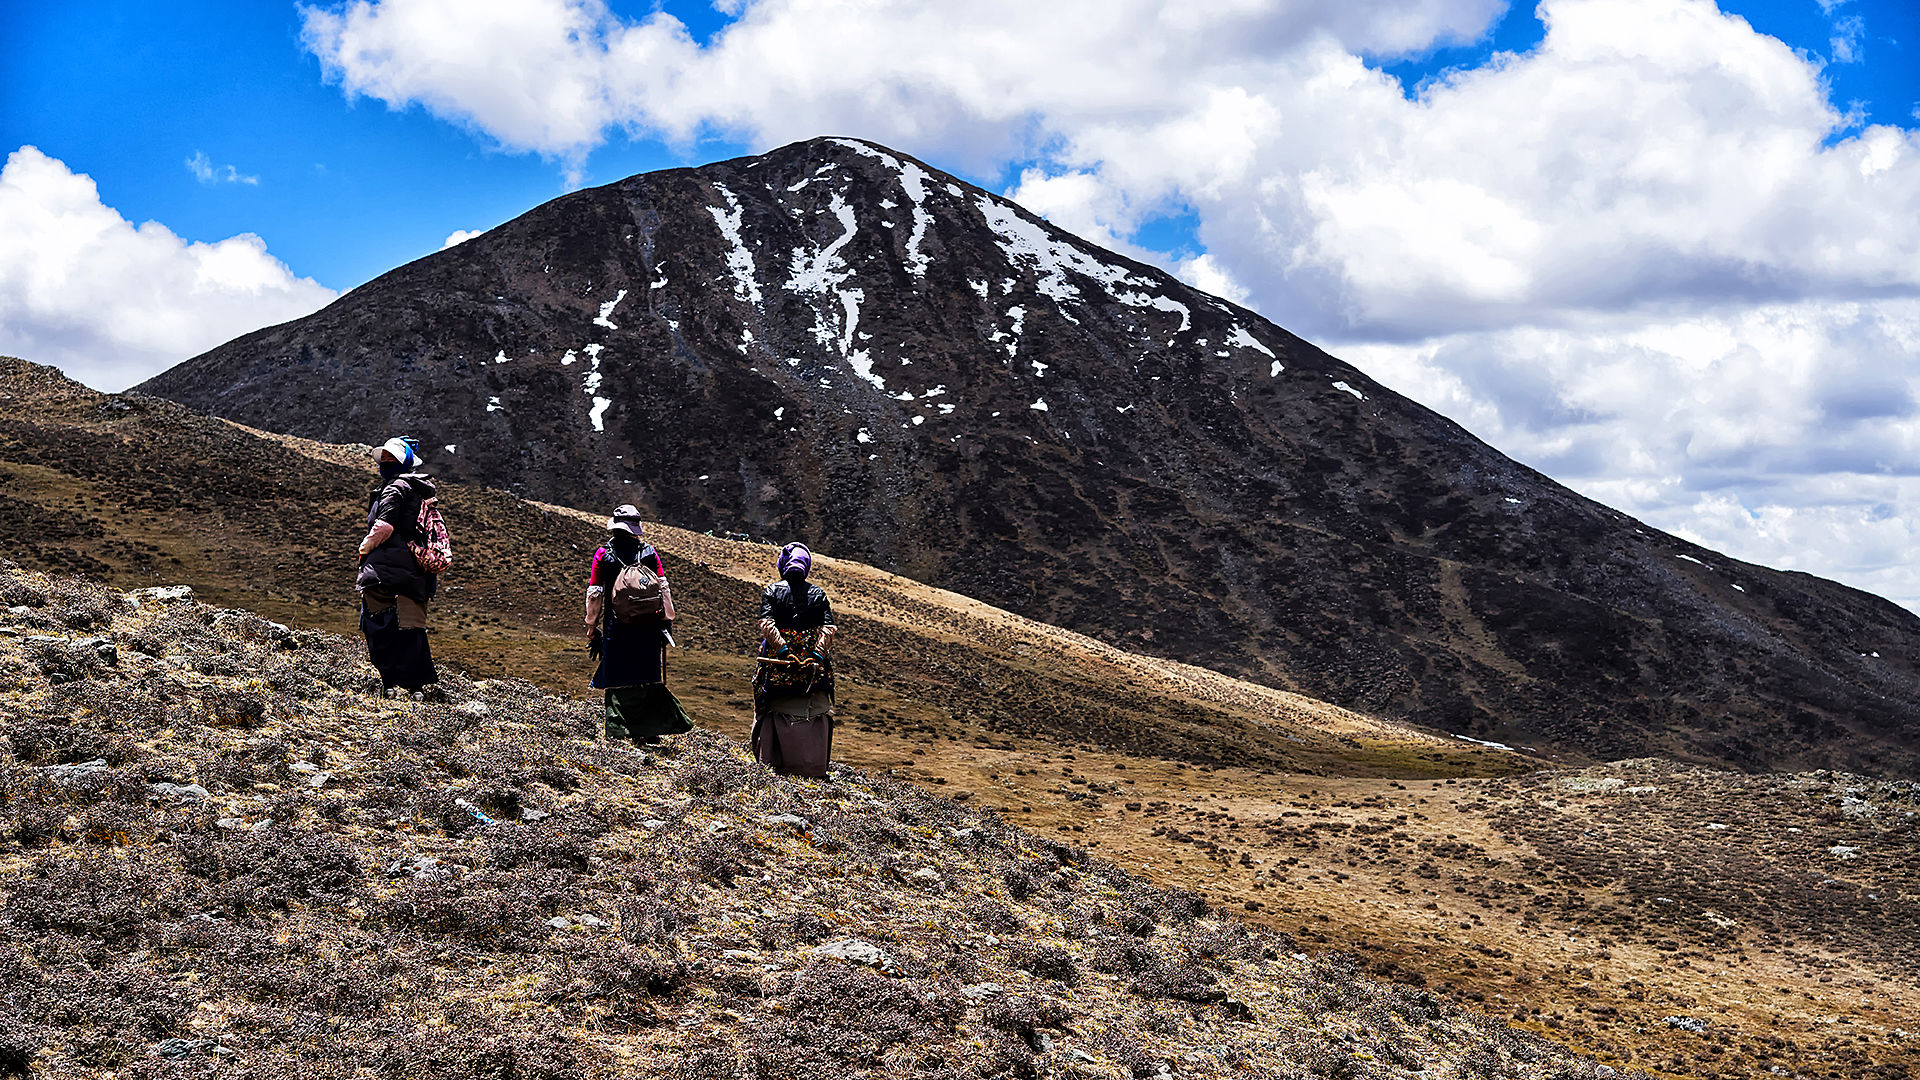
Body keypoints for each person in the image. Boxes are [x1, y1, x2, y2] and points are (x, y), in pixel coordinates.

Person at [585, 505, 690, 742]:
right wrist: (666, 620)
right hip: (648, 626)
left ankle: (618, 729)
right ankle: (649, 732)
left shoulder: (603, 554)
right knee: (646, 675)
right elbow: (663, 587)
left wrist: (592, 625)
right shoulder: (650, 553)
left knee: (619, 677)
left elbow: (595, 593)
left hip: (617, 626)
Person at [356, 437, 438, 696]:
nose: (385, 464)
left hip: (385, 570)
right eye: (384, 459)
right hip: (416, 571)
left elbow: (384, 526)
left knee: (379, 622)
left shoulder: (393, 488)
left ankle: (389, 683)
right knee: (412, 625)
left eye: (390, 460)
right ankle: (416, 687)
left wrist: (364, 548)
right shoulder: (420, 489)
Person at [752, 543, 838, 776]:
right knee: (814, 707)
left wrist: (783, 651)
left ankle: (772, 762)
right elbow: (828, 628)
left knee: (770, 706)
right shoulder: (818, 594)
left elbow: (767, 625)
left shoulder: (772, 591)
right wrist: (817, 655)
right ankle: (813, 766)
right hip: (813, 669)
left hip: (778, 666)